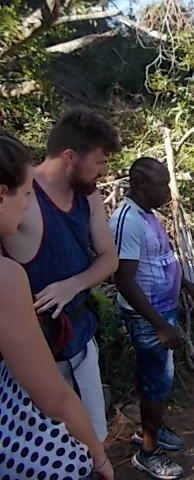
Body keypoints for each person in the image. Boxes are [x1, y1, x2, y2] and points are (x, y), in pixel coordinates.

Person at [0, 108, 121, 442]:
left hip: (80, 338)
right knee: (49, 446)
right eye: (99, 161)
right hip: (33, 352)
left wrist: (74, 284)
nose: (104, 171)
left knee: (93, 436)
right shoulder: (21, 195)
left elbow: (110, 258)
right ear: (70, 156)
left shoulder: (89, 197)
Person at [110, 157, 194, 479]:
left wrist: (185, 284)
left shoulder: (147, 214)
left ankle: (150, 429)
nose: (167, 190)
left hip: (160, 311)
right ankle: (148, 453)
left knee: (155, 377)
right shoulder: (128, 221)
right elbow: (123, 279)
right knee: (156, 382)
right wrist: (159, 325)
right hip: (147, 317)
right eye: (161, 184)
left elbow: (160, 258)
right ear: (140, 185)